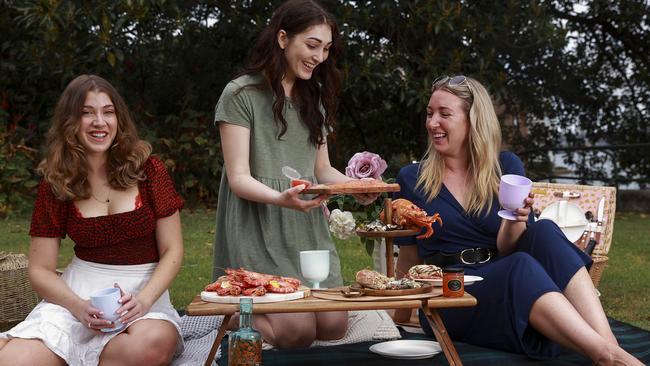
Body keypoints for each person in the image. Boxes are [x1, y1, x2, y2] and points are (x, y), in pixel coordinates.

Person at [393, 75, 642, 365]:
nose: (432, 122)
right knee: (520, 267)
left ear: (474, 120)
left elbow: (510, 249)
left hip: (504, 273)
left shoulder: (506, 167)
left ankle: (609, 348)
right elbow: (408, 259)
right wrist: (397, 325)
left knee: (544, 231)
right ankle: (606, 356)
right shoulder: (412, 178)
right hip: (451, 293)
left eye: (444, 114)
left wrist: (515, 219)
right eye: (430, 113)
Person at [213, 0, 377, 349]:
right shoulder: (240, 94)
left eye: (327, 49)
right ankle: (233, 317)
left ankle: (260, 313)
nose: (320, 57)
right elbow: (239, 177)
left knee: (333, 324)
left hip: (304, 228)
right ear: (283, 38)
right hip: (259, 223)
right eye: (312, 45)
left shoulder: (311, 98)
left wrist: (354, 187)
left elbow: (321, 169)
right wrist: (280, 198)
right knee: (297, 331)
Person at [0, 74, 184, 366]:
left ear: (119, 119)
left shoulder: (149, 170)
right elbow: (40, 270)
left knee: (152, 345)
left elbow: (173, 250)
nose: (100, 122)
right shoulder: (57, 181)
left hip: (143, 295)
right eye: (87, 113)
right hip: (78, 295)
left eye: (108, 112)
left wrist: (145, 300)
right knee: (15, 361)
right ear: (69, 123)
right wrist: (78, 307)